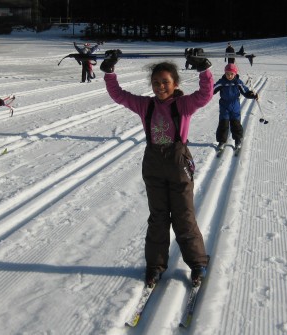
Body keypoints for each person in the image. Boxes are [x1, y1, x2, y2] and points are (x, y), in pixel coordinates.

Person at [100, 48, 212, 287]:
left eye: (165, 82)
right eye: (156, 83)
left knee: (183, 217)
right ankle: (155, 265)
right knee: (158, 217)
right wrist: (109, 72)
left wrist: (204, 69)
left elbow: (205, 95)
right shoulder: (145, 106)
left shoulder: (182, 105)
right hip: (153, 165)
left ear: (175, 83)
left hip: (178, 165)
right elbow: (119, 95)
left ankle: (198, 263)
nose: (160, 86)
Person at [213, 63, 258, 151]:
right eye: (227, 74)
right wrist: (207, 91)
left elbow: (245, 92)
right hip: (224, 107)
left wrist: (252, 95)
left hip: (235, 107)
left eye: (231, 74)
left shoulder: (238, 82)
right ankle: (221, 141)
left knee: (236, 124)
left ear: (235, 73)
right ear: (225, 73)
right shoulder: (222, 82)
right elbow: (212, 89)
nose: (229, 76)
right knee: (223, 124)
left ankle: (238, 140)